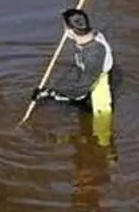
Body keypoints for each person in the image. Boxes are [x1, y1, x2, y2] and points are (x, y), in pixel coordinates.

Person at [31, 9, 116, 144]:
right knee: (77, 92)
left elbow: (81, 89)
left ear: (70, 32)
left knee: (101, 118)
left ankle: (105, 148)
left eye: (64, 27)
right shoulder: (88, 35)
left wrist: (51, 93)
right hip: (87, 69)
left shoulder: (93, 55)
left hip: (97, 76)